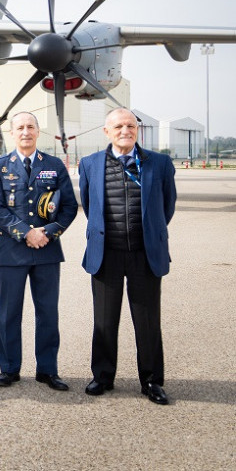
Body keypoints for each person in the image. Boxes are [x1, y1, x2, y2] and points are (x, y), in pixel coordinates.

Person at [78, 108, 177, 405]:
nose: (126, 130)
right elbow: (88, 204)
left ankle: (151, 381)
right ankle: (103, 377)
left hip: (144, 255)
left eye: (131, 126)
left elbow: (166, 206)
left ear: (137, 130)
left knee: (147, 322)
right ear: (106, 131)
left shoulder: (159, 163)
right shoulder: (90, 164)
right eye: (119, 126)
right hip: (106, 255)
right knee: (105, 322)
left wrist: (150, 233)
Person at [0, 112, 77, 392]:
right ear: (12, 133)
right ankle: (9, 368)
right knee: (9, 313)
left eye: (30, 127)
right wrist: (27, 232)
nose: (25, 131)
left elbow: (69, 207)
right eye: (20, 128)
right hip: (11, 252)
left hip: (47, 252)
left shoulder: (54, 165)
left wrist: (46, 233)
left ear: (38, 132)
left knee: (47, 313)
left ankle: (47, 370)